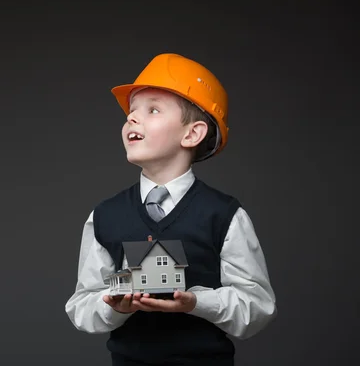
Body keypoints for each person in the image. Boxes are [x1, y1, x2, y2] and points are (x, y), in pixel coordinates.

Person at [65, 53, 277, 366]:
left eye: (152, 109)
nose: (132, 119)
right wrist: (115, 306)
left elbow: (256, 307)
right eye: (131, 112)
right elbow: (82, 306)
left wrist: (195, 302)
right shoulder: (104, 217)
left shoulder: (224, 215)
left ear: (192, 134)